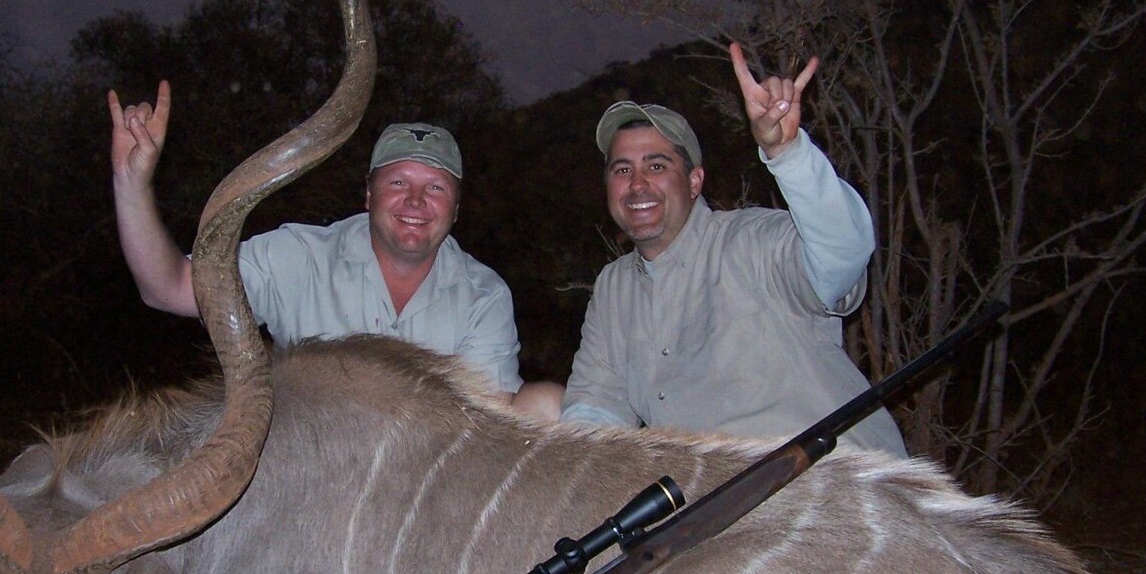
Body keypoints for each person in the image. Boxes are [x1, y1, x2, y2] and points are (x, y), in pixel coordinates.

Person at [111, 81, 562, 415]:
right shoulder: (299, 255)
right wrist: (132, 185)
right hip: (311, 473)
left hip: (422, 476)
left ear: (456, 209)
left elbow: (488, 420)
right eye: (398, 182)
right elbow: (168, 288)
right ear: (368, 196)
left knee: (546, 407)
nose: (416, 202)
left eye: (436, 188)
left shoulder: (483, 294)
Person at [559, 44, 907, 456]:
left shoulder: (755, 240)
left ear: (693, 181)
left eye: (657, 166)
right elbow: (595, 409)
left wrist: (788, 153)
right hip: (712, 505)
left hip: (838, 487)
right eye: (622, 170)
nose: (637, 184)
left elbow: (842, 254)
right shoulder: (614, 288)